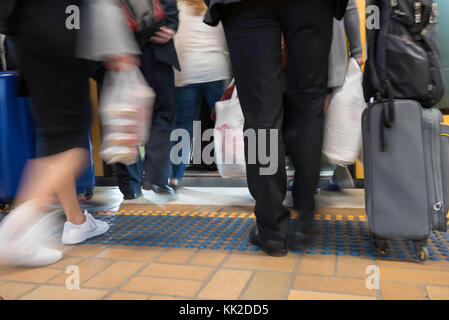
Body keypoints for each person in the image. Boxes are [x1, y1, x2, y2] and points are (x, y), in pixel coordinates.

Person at [0, 0, 140, 267]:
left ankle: (75, 221)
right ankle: (16, 231)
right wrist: (117, 43)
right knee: (73, 142)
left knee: (56, 134)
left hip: (25, 32)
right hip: (64, 22)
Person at [204, 0, 349, 256]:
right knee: (308, 105)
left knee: (262, 114)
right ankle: (305, 211)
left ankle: (272, 231)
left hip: (244, 7)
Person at [114, 0, 181, 200]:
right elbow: (170, 8)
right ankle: (157, 178)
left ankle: (131, 185)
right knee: (161, 115)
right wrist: (170, 26)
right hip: (155, 50)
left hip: (121, 53)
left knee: (123, 118)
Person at [168, 0, 231, 190]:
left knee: (182, 128)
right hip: (216, 71)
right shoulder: (217, 6)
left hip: (187, 73)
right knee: (225, 124)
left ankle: (174, 176)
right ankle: (236, 167)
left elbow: (178, 41)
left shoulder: (180, 6)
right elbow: (226, 39)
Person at [323, 0, 364, 191]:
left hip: (322, 55)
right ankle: (338, 172)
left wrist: (357, 51)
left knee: (322, 115)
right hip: (331, 55)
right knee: (331, 113)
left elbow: (349, 7)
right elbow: (350, 7)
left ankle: (334, 172)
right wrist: (356, 51)